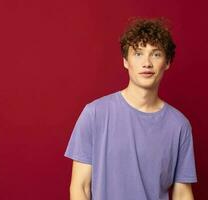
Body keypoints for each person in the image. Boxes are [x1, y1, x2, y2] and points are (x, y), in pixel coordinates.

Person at [64, 17, 198, 200]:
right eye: (138, 53)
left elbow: (182, 194)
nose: (147, 63)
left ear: (167, 63)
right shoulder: (95, 114)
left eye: (156, 54)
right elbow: (81, 188)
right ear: (126, 61)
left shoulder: (179, 126)